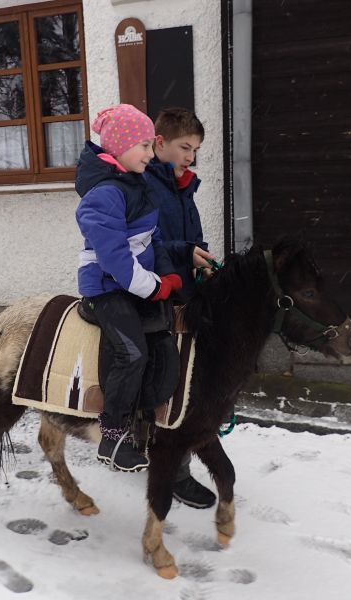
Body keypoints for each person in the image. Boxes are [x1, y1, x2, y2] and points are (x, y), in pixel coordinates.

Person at [75, 104, 182, 472]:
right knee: (132, 352)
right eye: (144, 146)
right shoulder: (104, 194)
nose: (151, 154)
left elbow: (153, 238)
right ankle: (112, 434)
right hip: (106, 287)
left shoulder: (136, 183)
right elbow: (114, 259)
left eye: (152, 146)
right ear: (119, 146)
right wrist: (152, 287)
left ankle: (151, 419)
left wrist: (168, 274)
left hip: (134, 281)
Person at [146, 107, 218, 509]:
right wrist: (184, 253)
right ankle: (173, 470)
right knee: (173, 382)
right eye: (184, 147)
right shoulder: (145, 184)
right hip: (156, 293)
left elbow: (193, 237)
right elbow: (146, 244)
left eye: (195, 150)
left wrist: (201, 260)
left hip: (185, 293)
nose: (190, 157)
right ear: (160, 142)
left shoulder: (182, 187)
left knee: (194, 380)